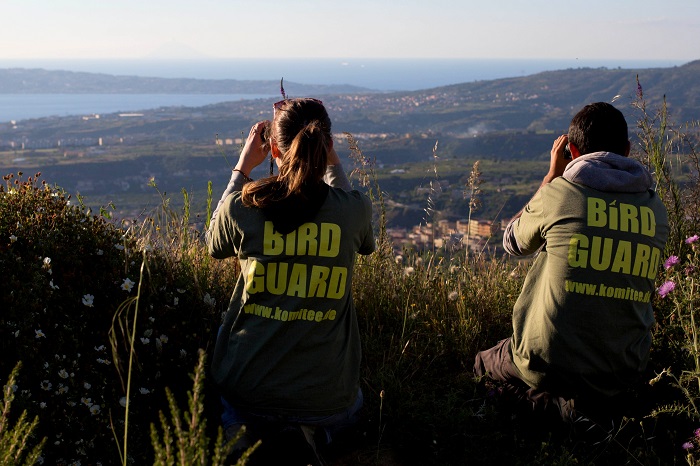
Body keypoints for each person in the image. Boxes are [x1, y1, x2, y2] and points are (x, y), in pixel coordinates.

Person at [473, 102, 669, 421]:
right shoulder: (656, 210)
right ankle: (599, 410)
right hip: (625, 368)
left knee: (483, 364)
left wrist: (552, 174)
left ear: (571, 150)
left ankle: (560, 412)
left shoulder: (560, 193)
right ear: (628, 150)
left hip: (547, 360)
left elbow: (512, 242)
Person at [206, 98, 375, 463]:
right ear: (326, 145)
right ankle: (313, 438)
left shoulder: (244, 206)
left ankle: (253, 439)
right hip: (330, 402)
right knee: (341, 414)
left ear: (272, 149)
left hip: (248, 394)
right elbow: (361, 232)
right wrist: (333, 163)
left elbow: (213, 244)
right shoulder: (352, 211)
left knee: (221, 362)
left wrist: (242, 168)